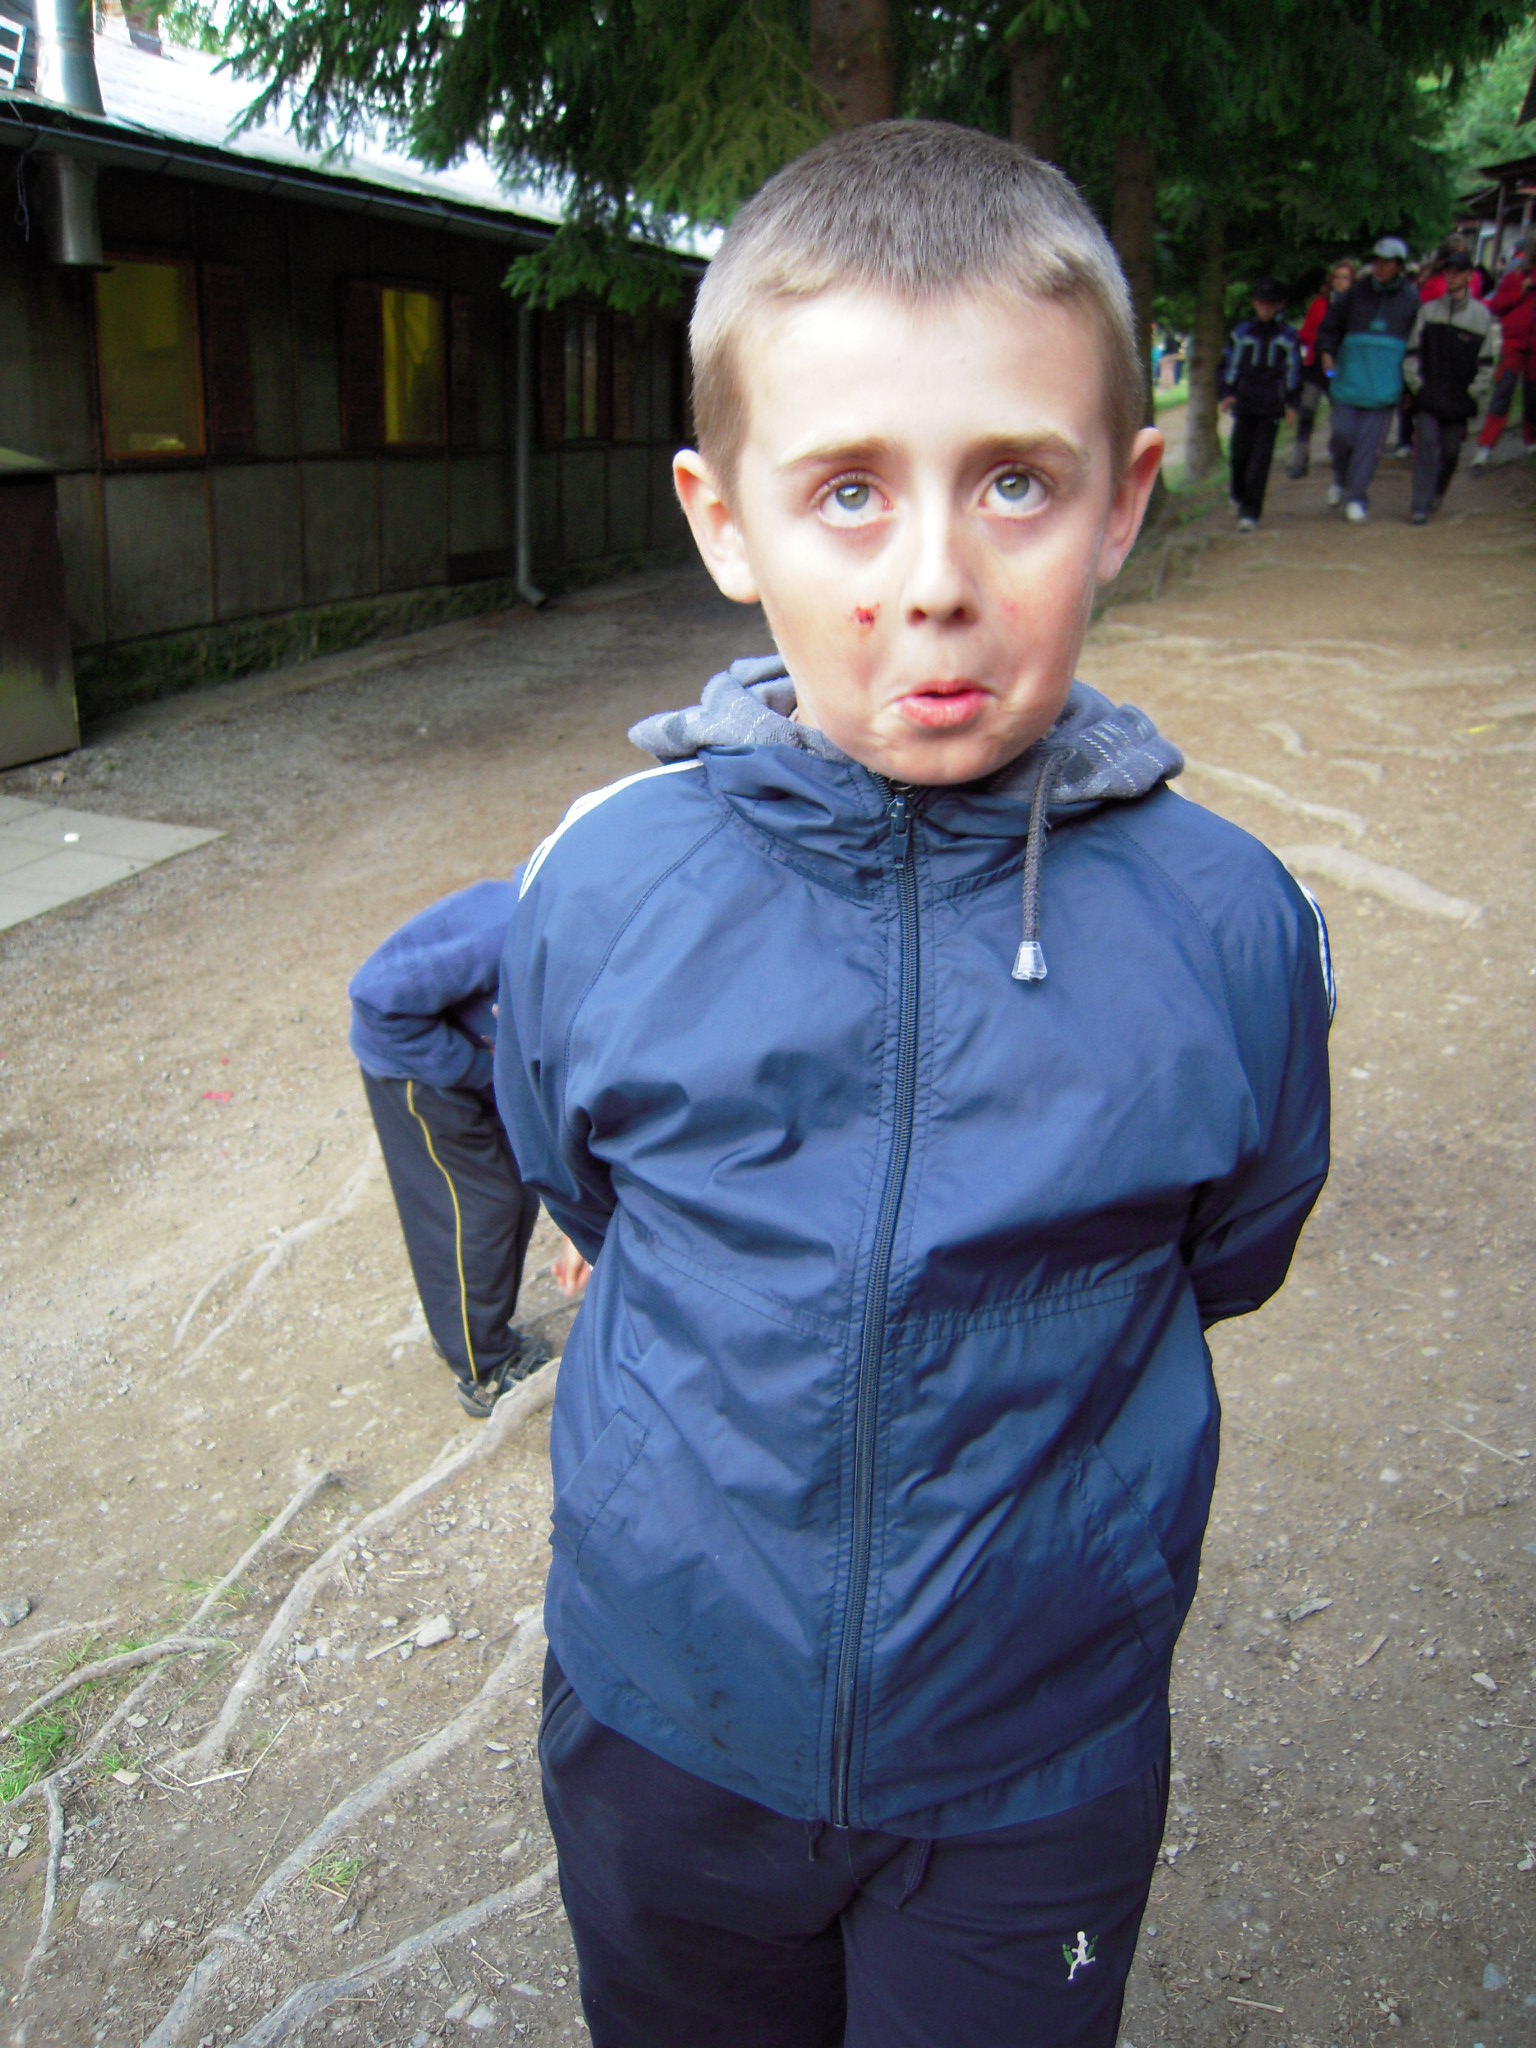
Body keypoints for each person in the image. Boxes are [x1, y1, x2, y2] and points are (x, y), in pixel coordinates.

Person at [495, 122, 1332, 2048]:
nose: (934, 581)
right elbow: (579, 1175)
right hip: (665, 1715)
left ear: (1122, 500)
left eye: (1015, 481)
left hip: (1035, 1760)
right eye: (849, 491)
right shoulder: (604, 886)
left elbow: (1231, 1244)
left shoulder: (1229, 923)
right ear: (724, 520)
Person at [349, 880, 587, 1419]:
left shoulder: (575, 942)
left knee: (516, 1188)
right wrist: (476, 1069)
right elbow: (374, 1000)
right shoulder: (498, 931)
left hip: (479, 1063)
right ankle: (484, 1367)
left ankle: (462, 1327)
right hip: (418, 1064)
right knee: (481, 1206)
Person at [1316, 234, 1420, 521]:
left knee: (1369, 446)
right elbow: (1330, 326)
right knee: (1342, 436)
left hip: (1384, 388)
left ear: (1399, 266)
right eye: (1377, 261)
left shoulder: (1411, 301)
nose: (1380, 267)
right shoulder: (1355, 293)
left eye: (1388, 262)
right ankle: (1340, 479)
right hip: (1349, 381)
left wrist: (1409, 388)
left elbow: (1416, 345)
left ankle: (1357, 496)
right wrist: (1327, 351)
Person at [1401, 245, 1498, 522]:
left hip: (1459, 400)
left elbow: (1487, 364)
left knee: (1451, 451)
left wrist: (1472, 393)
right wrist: (1418, 386)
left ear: (1469, 276)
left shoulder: (1481, 317)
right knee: (1426, 443)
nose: (1452, 277)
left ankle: (1437, 490)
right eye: (1448, 272)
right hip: (1429, 395)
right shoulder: (1429, 311)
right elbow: (1412, 352)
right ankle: (1419, 505)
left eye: (1457, 272)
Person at [1218, 278, 1301, 529]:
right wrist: (1226, 393)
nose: (1265, 308)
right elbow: (1228, 365)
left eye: (1271, 304)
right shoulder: (1242, 333)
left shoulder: (1287, 336)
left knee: (1261, 459)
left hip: (1271, 406)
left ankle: (1250, 512)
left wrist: (1292, 403)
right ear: (1255, 304)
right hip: (1244, 403)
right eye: (1262, 303)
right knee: (1239, 455)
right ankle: (1237, 494)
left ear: (1279, 306)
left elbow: (1294, 371)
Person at [1470, 231, 1536, 469]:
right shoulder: (1516, 276)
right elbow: (1496, 305)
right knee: (1503, 392)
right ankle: (1486, 446)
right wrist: (1520, 292)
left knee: (1533, 397)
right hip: (1513, 344)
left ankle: (1531, 441)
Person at [1288, 258, 1354, 478]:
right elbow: (1308, 332)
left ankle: (1342, 459)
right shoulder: (1320, 304)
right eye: (1337, 277)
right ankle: (1299, 460)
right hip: (1316, 368)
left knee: (1340, 415)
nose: (1340, 282)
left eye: (1345, 278)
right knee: (1307, 411)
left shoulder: (1354, 306)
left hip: (1339, 369)